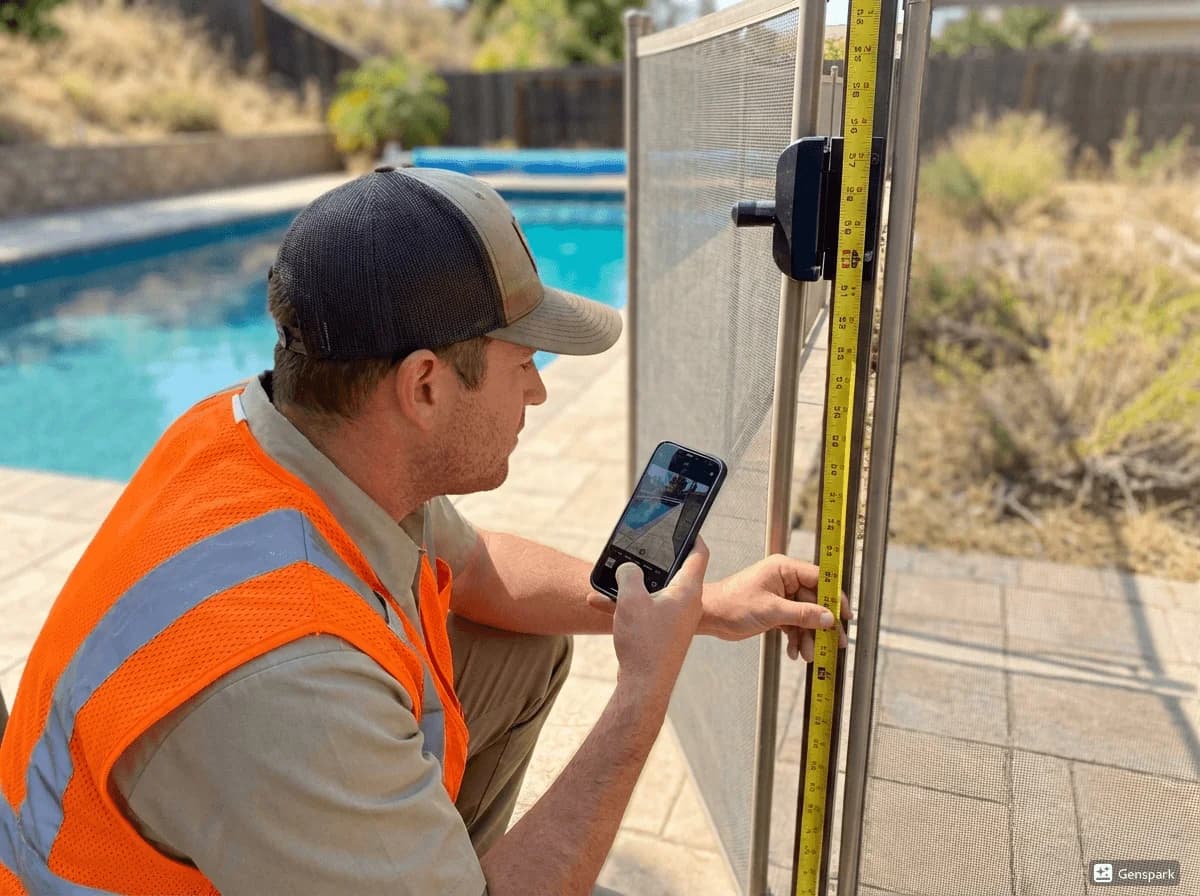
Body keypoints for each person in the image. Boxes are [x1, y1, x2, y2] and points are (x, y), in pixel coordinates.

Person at [0, 167, 850, 896]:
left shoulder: (277, 436)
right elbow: (292, 692)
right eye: (525, 367)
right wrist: (640, 696)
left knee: (522, 648)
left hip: (246, 789)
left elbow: (477, 571)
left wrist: (702, 610)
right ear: (425, 387)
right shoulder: (290, 689)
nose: (539, 396)